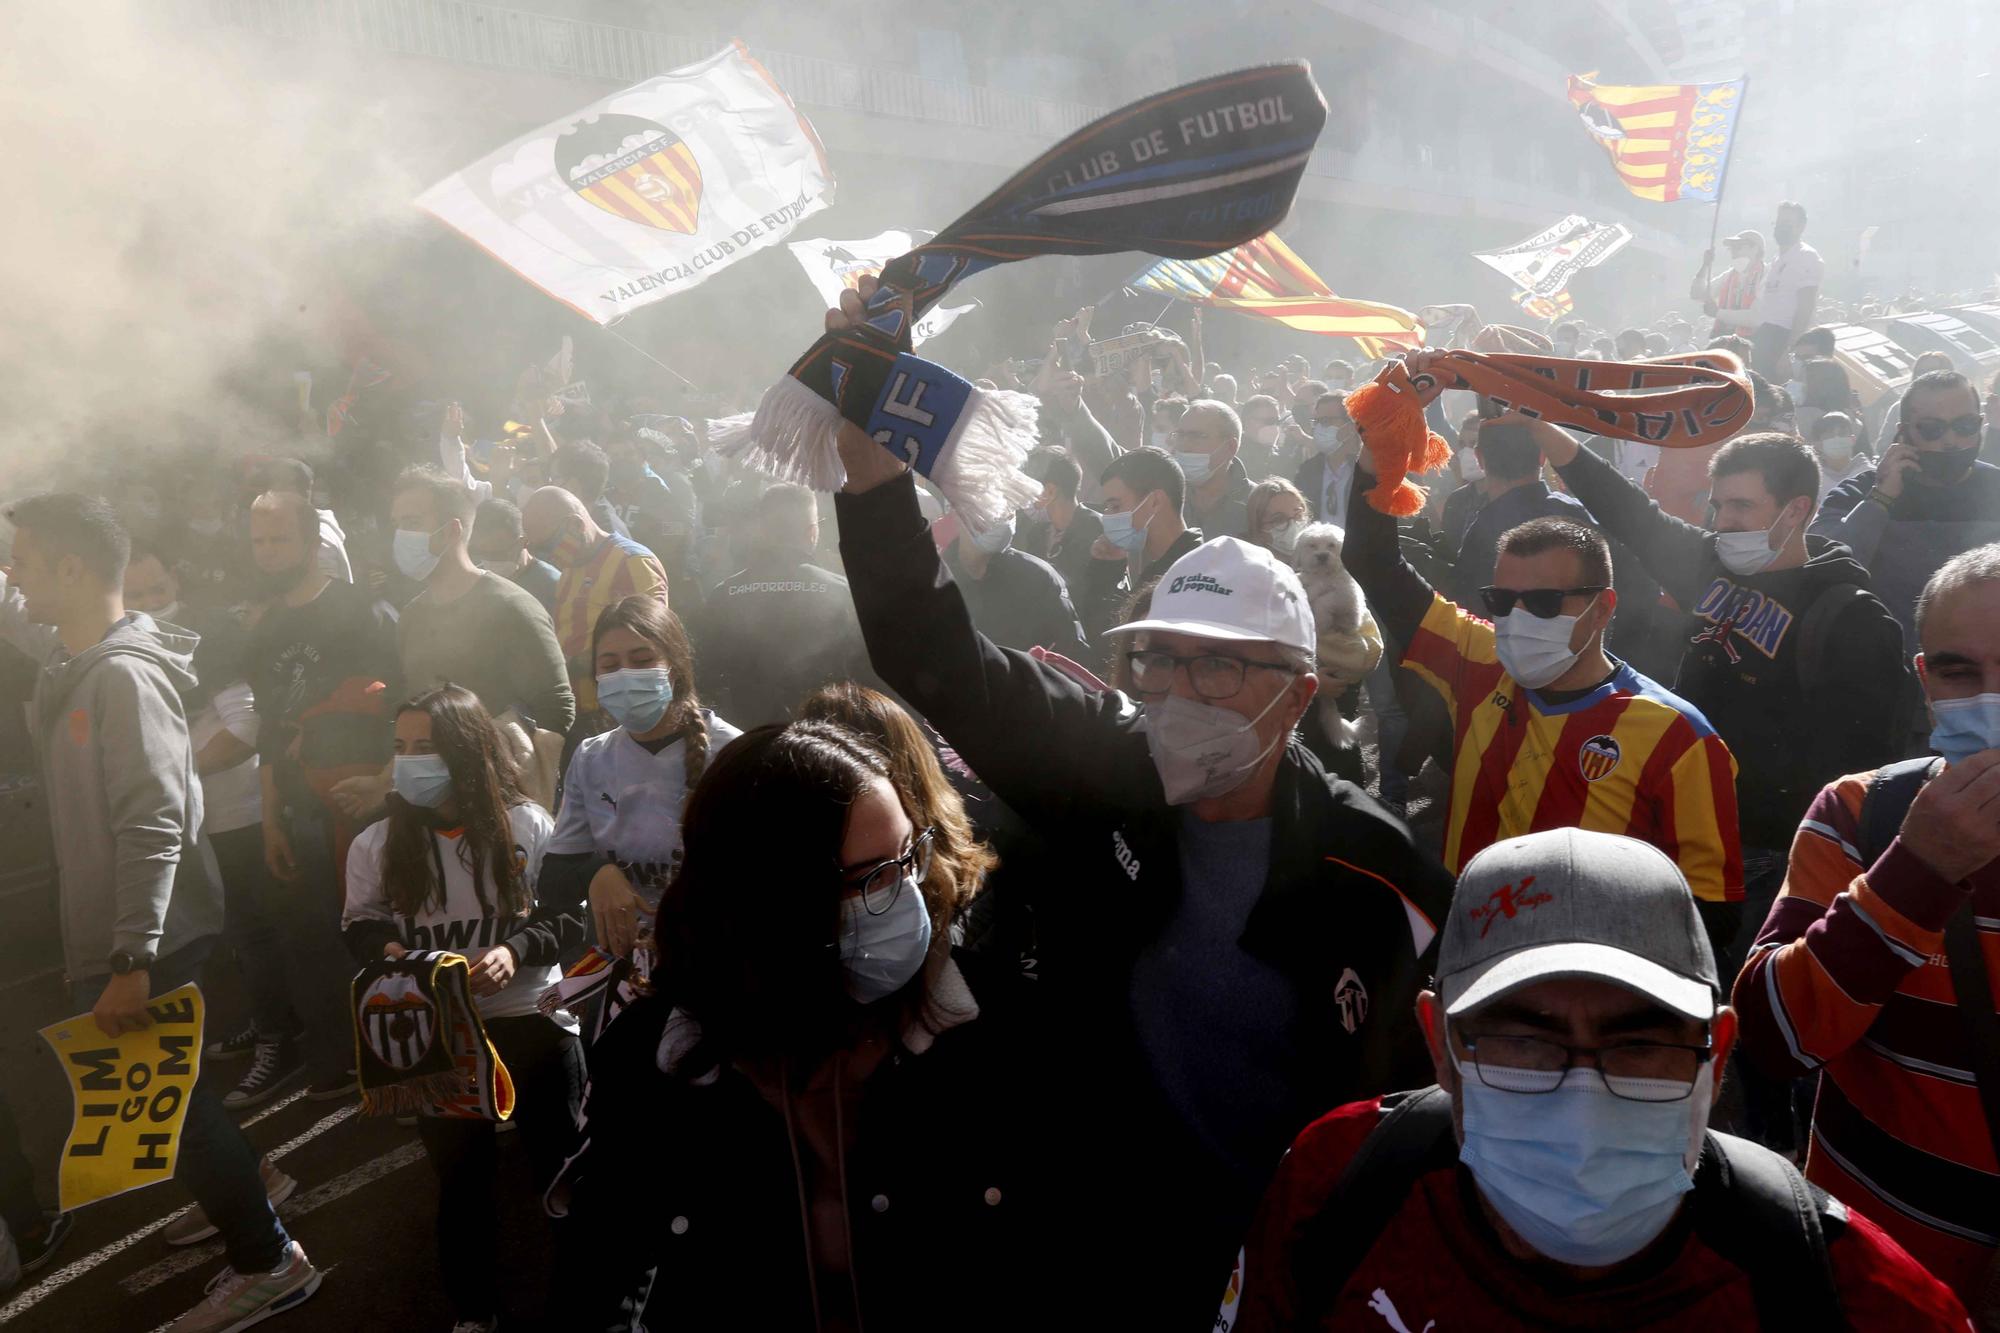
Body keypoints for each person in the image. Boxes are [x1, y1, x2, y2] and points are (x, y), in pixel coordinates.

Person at [825, 274, 1453, 1328]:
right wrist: (869, 469)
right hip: (1093, 1248)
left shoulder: (1370, 865)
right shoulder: (1097, 766)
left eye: (1216, 671)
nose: (1175, 694)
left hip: (1285, 1266)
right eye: (1156, 662)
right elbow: (927, 653)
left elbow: (1410, 1106)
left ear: (1297, 693)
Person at [1225, 827, 1970, 1331]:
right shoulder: (1337, 1191)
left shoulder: (1861, 1302)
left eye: (1638, 1042)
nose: (1581, 1104)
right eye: (1524, 1038)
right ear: (1440, 1045)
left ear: (1716, 1052)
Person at [560, 719, 1048, 1330]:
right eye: (860, 879)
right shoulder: (654, 1060)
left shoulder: (998, 1029)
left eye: (905, 858)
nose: (902, 895)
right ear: (762, 901)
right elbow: (597, 1278)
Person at [0, 493, 321, 1329]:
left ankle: (268, 1257)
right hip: (127, 936)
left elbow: (154, 819)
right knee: (172, 1104)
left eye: (24, 561)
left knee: (164, 1112)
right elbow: (17, 614)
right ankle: (253, 1185)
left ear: (72, 570)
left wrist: (130, 957)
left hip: (142, 939)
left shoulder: (118, 676)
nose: (12, 574)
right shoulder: (78, 652)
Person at [1342, 427, 1743, 954]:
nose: (1520, 619)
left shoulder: (1678, 737)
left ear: (1603, 608)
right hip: (1468, 951)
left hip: (1586, 987)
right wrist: (1381, 447)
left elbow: (1712, 909)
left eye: (1547, 603)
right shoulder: (1478, 658)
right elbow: (1374, 563)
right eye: (1503, 601)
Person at [1734, 542, 2000, 1313]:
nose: (1989, 696)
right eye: (1959, 672)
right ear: (1924, 683)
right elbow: (1771, 1036)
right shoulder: (1860, 814)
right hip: (1878, 1278)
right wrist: (1917, 871)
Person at [1543, 422, 1908, 973]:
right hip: (1670, 826)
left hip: (1760, 859)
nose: (1724, 522)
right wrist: (1542, 428)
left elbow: (1859, 770)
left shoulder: (1851, 617)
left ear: (1797, 510)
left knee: (1726, 995)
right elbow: (1627, 510)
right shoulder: (1709, 563)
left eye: (1742, 505)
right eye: (1718, 506)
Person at [341, 685, 582, 1333]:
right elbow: (358, 926)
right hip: (437, 1030)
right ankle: (476, 1312)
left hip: (530, 1015)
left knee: (565, 1169)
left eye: (427, 747)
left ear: (466, 753)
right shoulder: (377, 842)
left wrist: (513, 951)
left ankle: (591, 1298)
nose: (409, 761)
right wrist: (391, 950)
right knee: (461, 1182)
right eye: (400, 747)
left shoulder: (528, 825)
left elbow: (567, 920)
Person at [245, 488, 400, 1101]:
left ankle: (406, 1060)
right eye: (257, 540)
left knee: (378, 935)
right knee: (311, 940)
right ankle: (339, 1065)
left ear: (313, 541)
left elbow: (409, 703)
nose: (267, 551)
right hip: (299, 808)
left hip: (365, 806)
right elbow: (267, 727)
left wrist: (388, 780)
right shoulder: (266, 627)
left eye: (278, 538)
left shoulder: (365, 611)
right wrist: (268, 818)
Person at [541, 596, 741, 981]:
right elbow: (553, 879)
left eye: (642, 659)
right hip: (621, 972)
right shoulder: (591, 755)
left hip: (714, 968)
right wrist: (597, 874)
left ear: (675, 665)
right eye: (610, 665)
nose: (625, 674)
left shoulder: (732, 752)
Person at [1813, 369, 2000, 643]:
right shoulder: (1858, 493)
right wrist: (1880, 499)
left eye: (1965, 426)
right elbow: (1821, 571)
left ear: (1981, 423)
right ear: (1903, 433)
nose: (1950, 441)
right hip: (1891, 666)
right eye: (1932, 429)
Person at [389, 466, 574, 736]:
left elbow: (556, 706)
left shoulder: (512, 607)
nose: (400, 535)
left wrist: (513, 763)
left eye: (412, 523)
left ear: (452, 530)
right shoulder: (411, 616)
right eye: (397, 525)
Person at [689, 482, 869, 729]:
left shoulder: (724, 593)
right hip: (822, 736)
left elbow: (703, 671)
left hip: (744, 735)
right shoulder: (842, 591)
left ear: (762, 531)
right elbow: (867, 677)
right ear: (812, 532)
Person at [520, 484, 667, 720]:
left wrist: (568, 666)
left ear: (576, 525)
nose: (546, 556)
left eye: (547, 545)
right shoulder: (569, 569)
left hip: (617, 711)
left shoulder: (631, 562)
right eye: (536, 549)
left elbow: (648, 640)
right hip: (578, 709)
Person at [1440, 414, 1600, 613]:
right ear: (1542, 456)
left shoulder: (1481, 532)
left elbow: (1467, 612)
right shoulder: (1576, 516)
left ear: (1480, 458)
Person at [1080, 447, 1203, 647]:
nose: (1108, 517)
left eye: (1116, 506)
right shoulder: (1161, 567)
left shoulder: (1187, 578)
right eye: (1107, 508)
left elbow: (1114, 648)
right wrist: (1106, 570)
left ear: (1154, 502)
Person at [942, 510, 1090, 660]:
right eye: (988, 510)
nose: (1000, 520)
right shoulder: (934, 575)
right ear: (957, 513)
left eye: (1008, 512)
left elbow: (1071, 652)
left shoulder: (1038, 577)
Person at [1718, 203, 1823, 380]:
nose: (1781, 227)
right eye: (1779, 222)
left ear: (1801, 226)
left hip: (1784, 338)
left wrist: (1791, 351)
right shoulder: (1776, 261)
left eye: (1788, 223)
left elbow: (1806, 308)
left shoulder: (1807, 256)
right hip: (1764, 335)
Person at [1018, 446, 1104, 600]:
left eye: (1027, 488)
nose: (1023, 497)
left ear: (1050, 491)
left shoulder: (1096, 530)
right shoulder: (1037, 533)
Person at [1175, 399, 1253, 541]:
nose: (1185, 446)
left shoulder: (1257, 504)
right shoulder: (1165, 498)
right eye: (1180, 435)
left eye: (1198, 436)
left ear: (1230, 447)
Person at [467, 496, 559, 615]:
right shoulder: (477, 582)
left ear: (524, 542)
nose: (491, 561)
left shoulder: (552, 586)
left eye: (499, 554)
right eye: (484, 553)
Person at [1295, 392, 1360, 529]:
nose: (1319, 428)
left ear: (1351, 425)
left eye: (1326, 421)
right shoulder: (1307, 471)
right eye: (1316, 422)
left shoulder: (1368, 471)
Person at [550, 441, 632, 542]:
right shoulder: (590, 517)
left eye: (554, 478)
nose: (551, 485)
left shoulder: (606, 538)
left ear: (573, 484)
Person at [1695, 230, 1767, 340]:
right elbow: (1698, 295)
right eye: (1731, 248)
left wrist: (1718, 313)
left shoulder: (1766, 275)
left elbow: (1756, 318)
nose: (1733, 252)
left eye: (1738, 247)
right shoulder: (1729, 275)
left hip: (1752, 343)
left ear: (1755, 249)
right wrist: (1705, 266)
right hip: (1724, 340)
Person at [1808, 410, 1871, 505]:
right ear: (1817, 444)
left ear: (1852, 439)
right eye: (1829, 435)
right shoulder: (1813, 480)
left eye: (1842, 434)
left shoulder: (1869, 473)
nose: (1836, 438)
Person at [1245, 477, 1309, 559]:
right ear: (1257, 526)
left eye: (1298, 515)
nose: (1292, 525)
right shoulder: (1248, 566)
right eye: (1279, 519)